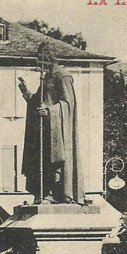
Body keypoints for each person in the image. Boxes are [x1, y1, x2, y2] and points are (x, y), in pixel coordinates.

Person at [19, 42, 86, 204]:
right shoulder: (46, 77)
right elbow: (38, 100)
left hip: (57, 130)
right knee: (40, 159)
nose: (39, 63)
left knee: (53, 161)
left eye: (41, 59)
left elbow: (68, 104)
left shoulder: (62, 76)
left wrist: (49, 111)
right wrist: (27, 94)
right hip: (44, 129)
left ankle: (57, 194)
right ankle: (44, 193)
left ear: (50, 58)